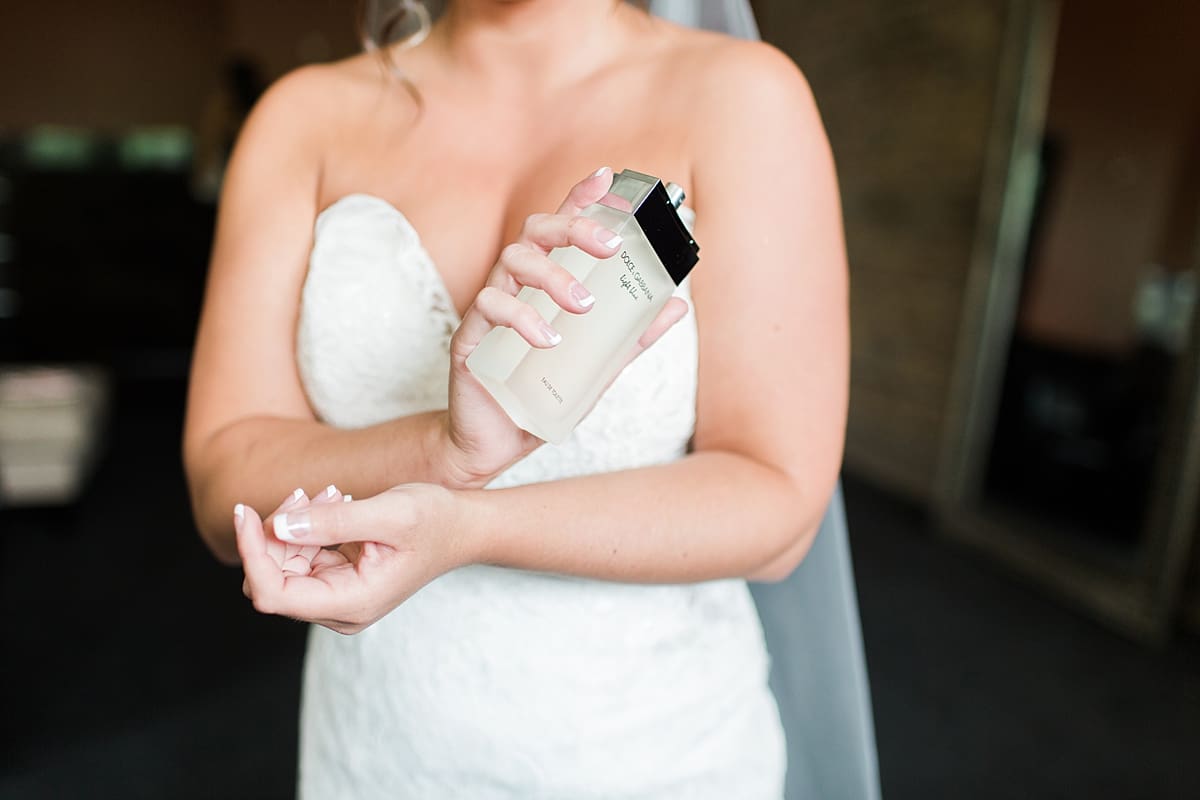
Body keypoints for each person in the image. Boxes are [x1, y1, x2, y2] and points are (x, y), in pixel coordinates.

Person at [183, 0, 854, 796]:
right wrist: (445, 452)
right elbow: (224, 471)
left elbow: (777, 503)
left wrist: (468, 525)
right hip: (377, 750)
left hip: (655, 755)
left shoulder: (742, 98)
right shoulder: (301, 119)